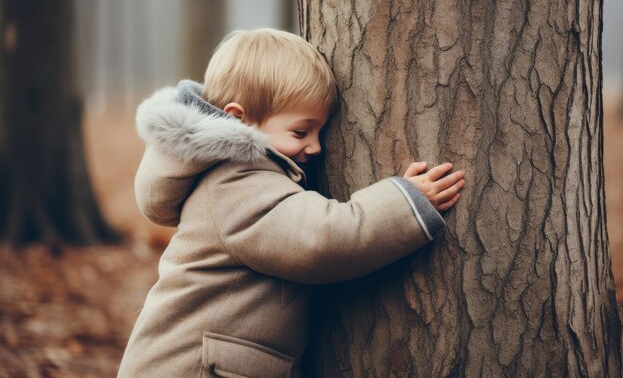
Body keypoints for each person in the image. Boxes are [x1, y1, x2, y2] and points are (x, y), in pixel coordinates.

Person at [117, 29, 465, 378]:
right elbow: (323, 241)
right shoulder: (237, 185)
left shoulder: (235, 175)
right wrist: (405, 203)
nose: (316, 148)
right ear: (240, 118)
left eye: (319, 133)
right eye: (301, 132)